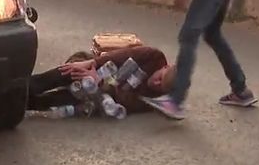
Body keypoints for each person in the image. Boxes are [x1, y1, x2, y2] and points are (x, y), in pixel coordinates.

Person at [28, 44, 176, 114]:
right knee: (71, 70)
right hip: (98, 66)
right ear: (165, 67)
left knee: (75, 97)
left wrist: (99, 82)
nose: (155, 83)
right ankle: (22, 87)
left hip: (103, 93)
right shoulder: (154, 56)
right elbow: (121, 54)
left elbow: (127, 101)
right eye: (160, 78)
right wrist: (92, 63)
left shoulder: (155, 98)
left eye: (160, 86)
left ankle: (24, 104)